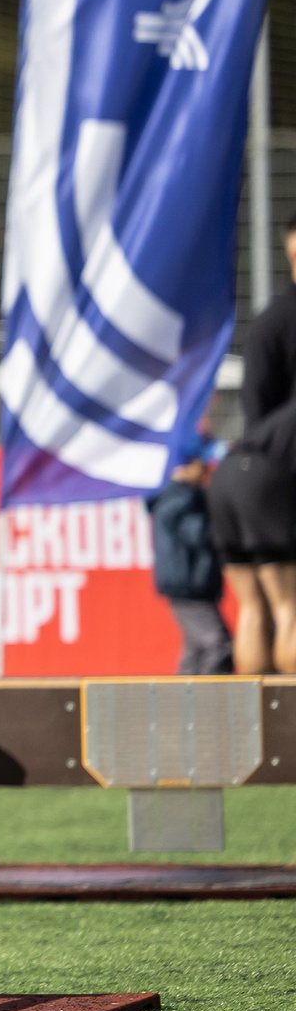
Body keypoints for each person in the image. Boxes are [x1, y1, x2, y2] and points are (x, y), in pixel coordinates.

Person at [209, 210, 296, 675]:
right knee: (289, 608)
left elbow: (256, 414)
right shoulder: (276, 325)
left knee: (253, 609)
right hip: (269, 477)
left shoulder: (269, 322)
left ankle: (257, 725)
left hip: (231, 474)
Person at [150, 446, 230, 675]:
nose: (206, 472)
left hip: (188, 584)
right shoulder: (183, 498)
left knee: (196, 648)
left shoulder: (177, 496)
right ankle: (210, 705)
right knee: (218, 644)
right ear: (188, 465)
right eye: (202, 465)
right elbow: (200, 534)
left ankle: (183, 705)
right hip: (189, 585)